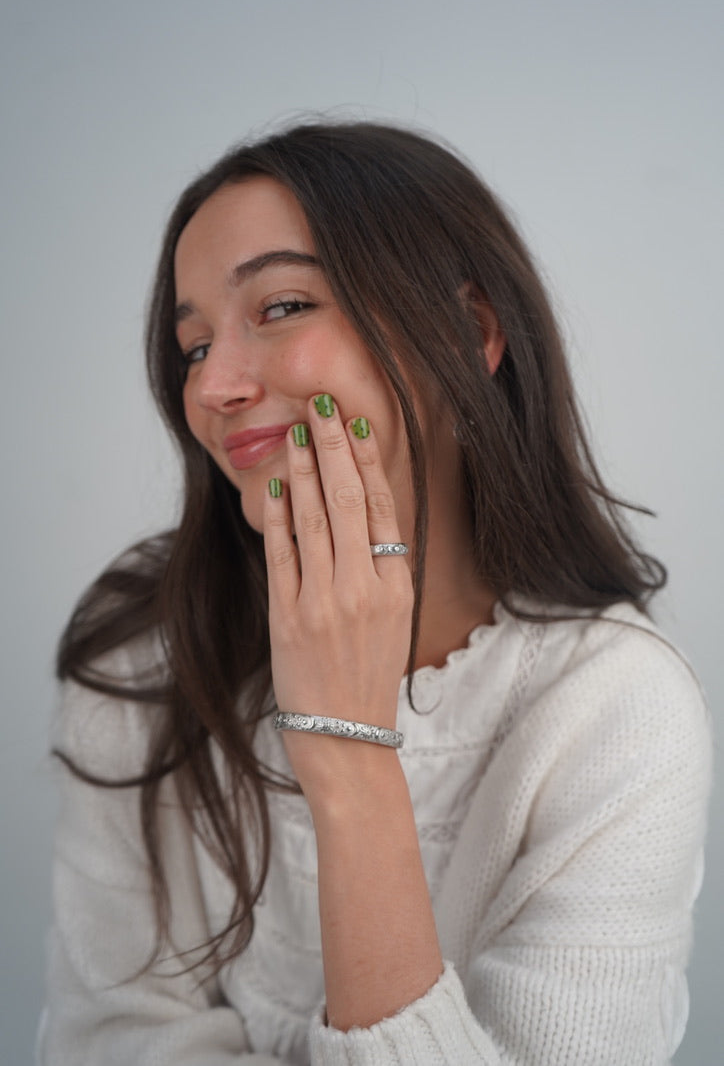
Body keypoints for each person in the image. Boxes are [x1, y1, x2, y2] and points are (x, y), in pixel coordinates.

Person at [39, 121, 711, 1065]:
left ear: (470, 331)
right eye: (193, 347)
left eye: (279, 307)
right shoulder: (142, 650)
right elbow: (102, 1041)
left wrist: (348, 760)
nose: (215, 387)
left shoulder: (619, 714)